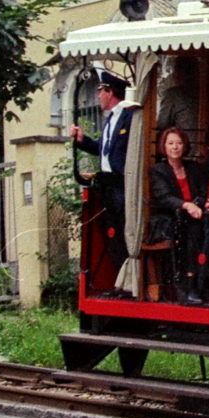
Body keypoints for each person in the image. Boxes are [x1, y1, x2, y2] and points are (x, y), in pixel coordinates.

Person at [70, 70, 138, 274]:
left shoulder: (128, 116)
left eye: (100, 91)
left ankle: (129, 278)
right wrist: (83, 141)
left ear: (109, 92)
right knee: (112, 232)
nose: (98, 96)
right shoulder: (110, 119)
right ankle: (120, 277)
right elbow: (104, 149)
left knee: (124, 231)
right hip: (108, 184)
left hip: (122, 184)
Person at [146, 126, 206, 302]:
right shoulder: (158, 170)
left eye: (179, 143)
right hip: (171, 218)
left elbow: (202, 193)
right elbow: (163, 197)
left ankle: (206, 283)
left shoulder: (194, 167)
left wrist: (198, 204)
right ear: (164, 146)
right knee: (191, 231)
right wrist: (186, 206)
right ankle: (187, 286)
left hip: (196, 214)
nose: (175, 147)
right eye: (170, 143)